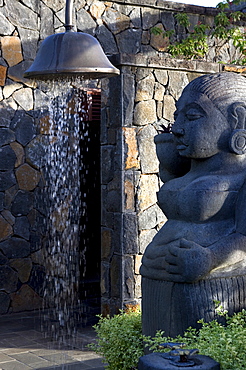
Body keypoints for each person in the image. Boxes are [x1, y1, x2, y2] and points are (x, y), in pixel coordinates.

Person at [140, 72, 246, 337]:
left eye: (192, 116)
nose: (176, 127)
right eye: (177, 116)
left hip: (211, 289)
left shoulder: (241, 177)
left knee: (197, 355)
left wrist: (210, 258)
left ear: (238, 119)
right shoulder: (188, 172)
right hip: (158, 284)